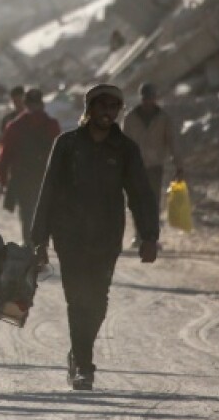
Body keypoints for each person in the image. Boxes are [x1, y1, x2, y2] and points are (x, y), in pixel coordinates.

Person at [30, 83, 159, 391]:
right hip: (69, 235)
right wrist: (39, 240)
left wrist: (149, 236)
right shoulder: (67, 144)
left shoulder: (126, 149)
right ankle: (84, 366)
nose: (108, 112)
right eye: (102, 106)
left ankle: (78, 352)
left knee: (98, 301)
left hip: (106, 237)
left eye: (114, 107)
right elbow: (48, 191)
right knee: (77, 300)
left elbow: (140, 193)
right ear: (89, 109)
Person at [0, 89, 62, 245]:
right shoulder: (52, 125)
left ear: (26, 105)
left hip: (22, 177)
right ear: (42, 104)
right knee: (43, 212)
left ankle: (30, 245)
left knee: (27, 214)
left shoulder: (14, 126)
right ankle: (40, 244)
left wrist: (3, 178)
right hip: (45, 176)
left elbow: (5, 156)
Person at [122, 82, 182, 209]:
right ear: (141, 98)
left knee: (154, 199)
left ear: (155, 98)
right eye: (145, 98)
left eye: (151, 98)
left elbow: (172, 142)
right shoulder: (130, 118)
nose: (148, 102)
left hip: (155, 165)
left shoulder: (163, 118)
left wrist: (179, 166)